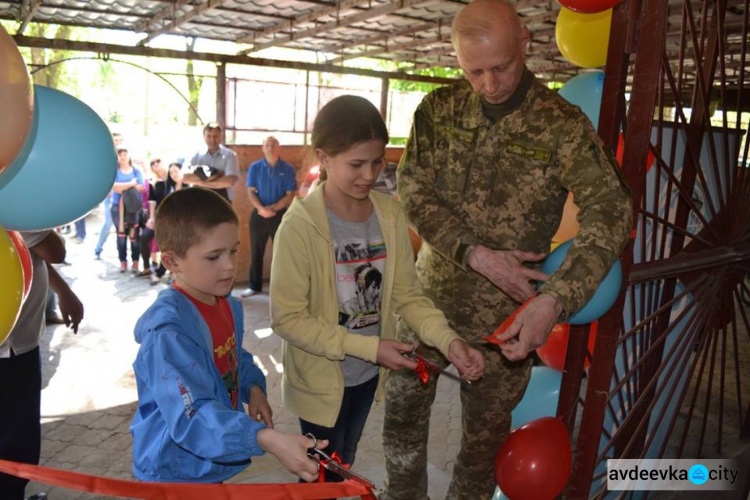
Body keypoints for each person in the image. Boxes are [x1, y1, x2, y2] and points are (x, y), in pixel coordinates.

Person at [380, 1, 633, 499]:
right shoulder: (439, 110)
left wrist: (554, 300)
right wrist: (475, 253)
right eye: (474, 71)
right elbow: (412, 189)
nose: (489, 84)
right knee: (401, 426)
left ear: (525, 42)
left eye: (501, 68)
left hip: (508, 328)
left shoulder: (562, 125)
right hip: (426, 306)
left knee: (481, 454)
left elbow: (613, 209)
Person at [269, 95, 485, 480]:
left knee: (344, 459)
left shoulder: (388, 215)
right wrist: (371, 348)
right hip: (320, 380)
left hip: (368, 376)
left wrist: (449, 340)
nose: (369, 175)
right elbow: (286, 318)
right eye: (356, 164)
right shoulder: (300, 225)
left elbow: (408, 295)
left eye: (377, 161)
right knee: (320, 474)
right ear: (324, 157)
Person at [130, 187, 321, 484]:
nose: (230, 265)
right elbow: (192, 418)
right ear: (172, 262)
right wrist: (263, 438)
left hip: (208, 460)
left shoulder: (225, 304)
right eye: (213, 257)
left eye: (233, 250)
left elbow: (231, 355)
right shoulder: (169, 336)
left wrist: (253, 387)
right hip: (174, 471)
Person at [0, 230, 84, 500]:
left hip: (14, 343)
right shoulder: (13, 204)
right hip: (11, 347)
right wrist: (45, 220)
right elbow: (55, 251)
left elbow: (30, 254)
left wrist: (63, 290)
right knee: (16, 440)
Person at [240, 136, 297, 298]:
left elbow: (290, 194)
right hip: (258, 214)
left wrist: (273, 208)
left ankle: (281, 287)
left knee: (281, 253)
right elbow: (250, 191)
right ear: (263, 148)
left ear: (279, 148)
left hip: (279, 215)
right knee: (256, 252)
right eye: (267, 145)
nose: (270, 148)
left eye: (273, 145)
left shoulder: (288, 169)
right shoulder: (255, 167)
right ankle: (254, 285)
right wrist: (261, 209)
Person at [183, 122, 239, 202]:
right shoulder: (195, 155)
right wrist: (218, 175)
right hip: (197, 200)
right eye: (209, 136)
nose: (212, 140)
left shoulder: (230, 156)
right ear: (204, 137)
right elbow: (185, 177)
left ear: (221, 136)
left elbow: (230, 181)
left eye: (215, 136)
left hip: (222, 201)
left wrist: (200, 180)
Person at [112, 145, 145, 274]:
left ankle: (135, 262)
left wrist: (123, 188)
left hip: (133, 208)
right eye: (120, 154)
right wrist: (131, 184)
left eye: (125, 154)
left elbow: (141, 187)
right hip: (117, 208)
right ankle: (123, 262)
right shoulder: (115, 171)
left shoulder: (136, 170)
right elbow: (114, 188)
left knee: (134, 236)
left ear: (129, 155)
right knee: (121, 236)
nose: (123, 156)